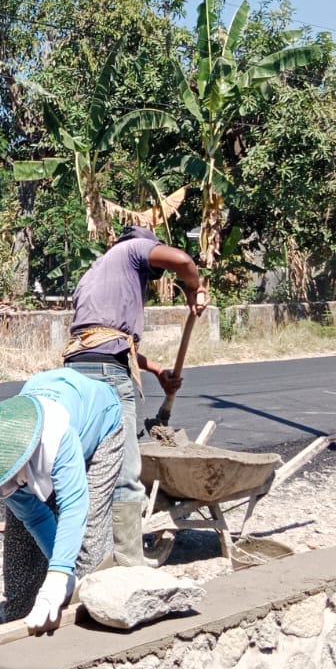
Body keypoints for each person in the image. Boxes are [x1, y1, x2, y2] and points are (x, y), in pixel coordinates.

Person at [64, 225, 206, 567]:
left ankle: (85, 558)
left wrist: (157, 371)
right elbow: (183, 260)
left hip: (76, 368)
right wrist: (195, 287)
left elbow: (102, 341)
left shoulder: (96, 272)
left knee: (88, 470)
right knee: (124, 473)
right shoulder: (133, 250)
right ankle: (129, 562)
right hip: (108, 375)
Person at [0, 367, 124, 631]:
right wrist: (60, 574)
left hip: (100, 424)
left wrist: (60, 572)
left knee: (89, 532)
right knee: (20, 533)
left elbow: (74, 507)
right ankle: (20, 611)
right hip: (43, 409)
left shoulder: (57, 434)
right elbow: (35, 515)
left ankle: (92, 618)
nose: (4, 489)